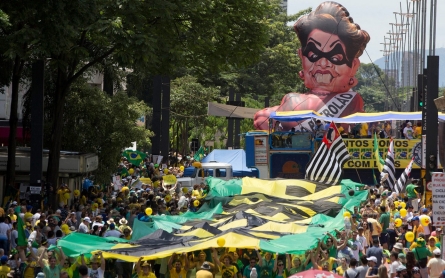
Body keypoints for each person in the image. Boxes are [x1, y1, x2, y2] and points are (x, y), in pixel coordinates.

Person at [253, 1, 370, 130]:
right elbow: (263, 120)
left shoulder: (352, 101)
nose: (323, 63)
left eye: (335, 57)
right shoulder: (291, 99)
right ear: (302, 57)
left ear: (353, 66)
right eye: (314, 55)